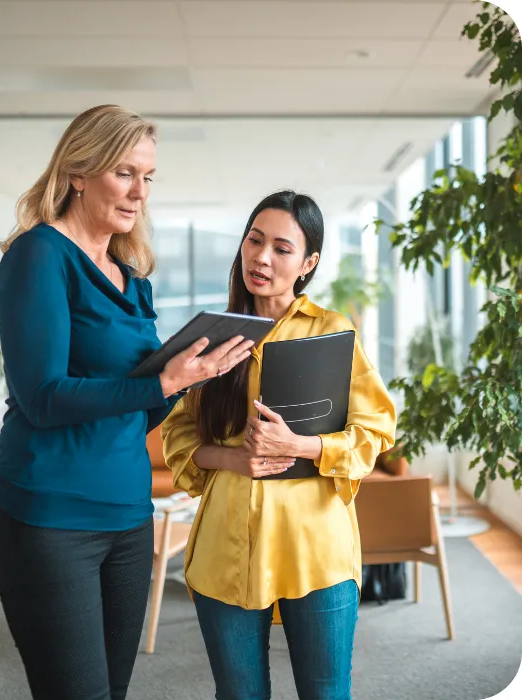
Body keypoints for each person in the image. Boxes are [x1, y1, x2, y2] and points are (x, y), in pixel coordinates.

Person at [0, 104, 254, 700]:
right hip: (50, 515)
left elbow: (139, 411)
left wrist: (193, 375)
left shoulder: (131, 277)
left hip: (129, 516)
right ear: (78, 173)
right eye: (124, 172)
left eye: (148, 177)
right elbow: (42, 398)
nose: (139, 192)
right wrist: (160, 383)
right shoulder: (40, 256)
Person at [161, 190, 397, 700]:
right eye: (254, 240)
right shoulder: (210, 336)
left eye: (282, 248)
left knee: (326, 692)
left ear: (308, 262)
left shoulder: (333, 331)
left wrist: (303, 444)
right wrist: (233, 457)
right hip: (226, 546)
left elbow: (375, 429)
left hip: (316, 546)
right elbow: (177, 435)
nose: (261, 257)